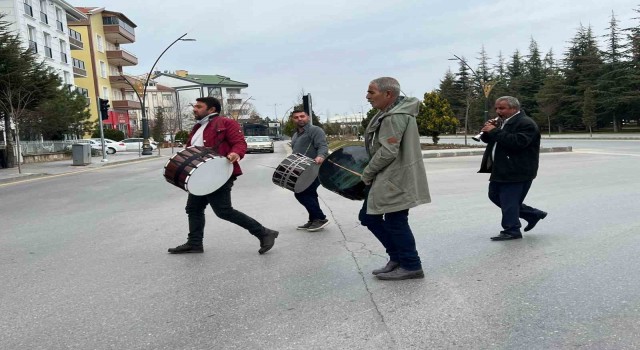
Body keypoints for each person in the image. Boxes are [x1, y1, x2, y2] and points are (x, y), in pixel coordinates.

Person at [168, 97, 279, 254]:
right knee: (193, 209)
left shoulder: (226, 123)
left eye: (199, 106)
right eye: (195, 106)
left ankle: (264, 233)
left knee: (223, 211)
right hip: (201, 175)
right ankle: (194, 243)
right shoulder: (197, 127)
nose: (195, 109)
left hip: (219, 173)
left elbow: (240, 143)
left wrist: (235, 153)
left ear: (211, 109)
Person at [360, 77, 431, 281]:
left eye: (371, 92)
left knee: (395, 221)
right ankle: (398, 258)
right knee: (371, 217)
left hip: (394, 179)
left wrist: (367, 173)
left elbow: (388, 151)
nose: (367, 97)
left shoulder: (394, 117)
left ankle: (411, 265)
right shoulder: (389, 113)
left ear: (388, 94)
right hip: (391, 177)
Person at [478, 96, 548, 241]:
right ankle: (532, 214)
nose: (498, 111)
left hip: (517, 170)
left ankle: (512, 230)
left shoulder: (526, 123)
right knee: (495, 195)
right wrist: (487, 132)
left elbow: (517, 143)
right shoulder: (503, 122)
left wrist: (495, 131)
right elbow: (493, 140)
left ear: (514, 108)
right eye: (496, 108)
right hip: (501, 168)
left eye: (502, 108)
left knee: (509, 201)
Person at [290, 107, 330, 232]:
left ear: (307, 117)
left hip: (316, 168)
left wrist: (321, 156)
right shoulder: (296, 134)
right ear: (293, 119)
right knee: (310, 193)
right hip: (302, 170)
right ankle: (313, 219)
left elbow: (322, 145)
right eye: (296, 117)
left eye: (302, 116)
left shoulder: (315, 130)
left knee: (301, 193)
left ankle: (320, 218)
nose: (299, 119)